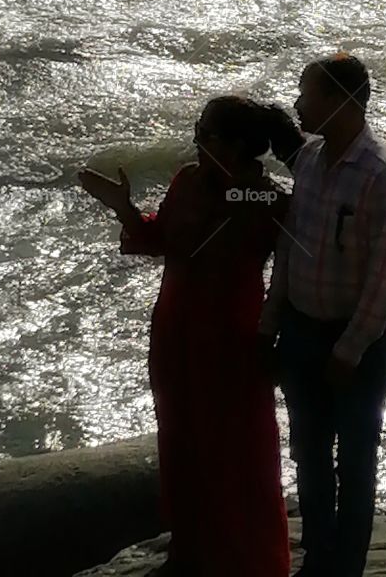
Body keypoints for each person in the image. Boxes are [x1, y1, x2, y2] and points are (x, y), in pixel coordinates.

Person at [79, 95, 304, 577]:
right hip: (174, 331)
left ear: (238, 146)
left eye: (207, 135)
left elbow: (298, 260)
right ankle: (192, 550)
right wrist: (124, 210)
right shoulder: (187, 181)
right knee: (179, 441)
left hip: (233, 336)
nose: (197, 142)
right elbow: (161, 239)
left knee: (240, 450)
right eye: (197, 133)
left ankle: (253, 560)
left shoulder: (267, 200)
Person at [260, 53, 386, 577]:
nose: (299, 104)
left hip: (360, 343)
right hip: (302, 331)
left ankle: (345, 568)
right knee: (308, 453)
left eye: (309, 94)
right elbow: (289, 249)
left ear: (343, 102)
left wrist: (350, 349)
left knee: (354, 460)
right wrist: (270, 323)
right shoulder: (307, 161)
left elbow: (384, 276)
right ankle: (317, 561)